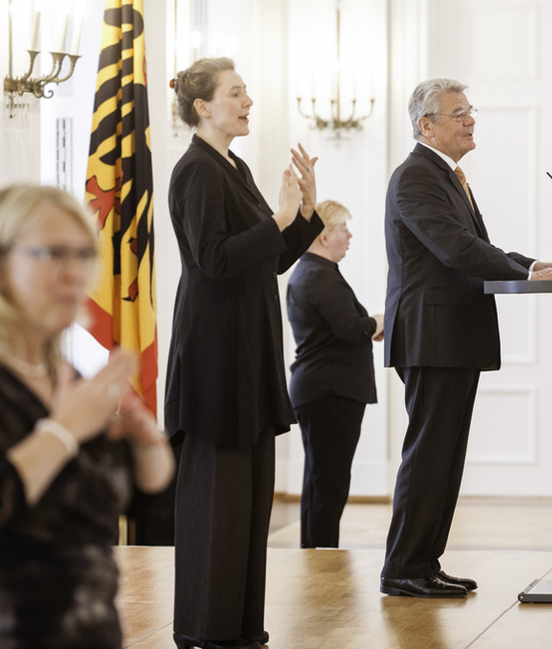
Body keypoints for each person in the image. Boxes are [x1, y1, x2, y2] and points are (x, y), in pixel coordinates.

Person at [0, 183, 175, 648]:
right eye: (54, 254)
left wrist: (147, 443)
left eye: (84, 254)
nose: (76, 273)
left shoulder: (64, 376)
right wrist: (64, 429)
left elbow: (142, 511)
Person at [380, 79, 552, 598]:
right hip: (432, 335)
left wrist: (530, 263)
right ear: (427, 125)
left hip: (451, 335)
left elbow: (474, 246)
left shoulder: (446, 176)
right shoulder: (415, 177)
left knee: (444, 456)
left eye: (471, 111)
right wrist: (527, 274)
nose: (471, 120)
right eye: (458, 112)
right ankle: (402, 567)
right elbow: (456, 249)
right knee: (428, 455)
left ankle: (423, 562)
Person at [165, 57, 323, 649]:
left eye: (247, 92)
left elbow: (272, 257)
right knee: (217, 504)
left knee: (249, 503)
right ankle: (205, 630)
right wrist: (280, 218)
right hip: (214, 357)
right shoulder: (196, 171)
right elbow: (215, 259)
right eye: (236, 94)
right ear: (203, 106)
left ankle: (239, 629)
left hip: (249, 351)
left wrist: (302, 214)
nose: (248, 101)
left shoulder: (235, 166)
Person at [286, 200, 383, 549]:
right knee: (329, 481)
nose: (349, 235)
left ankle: (315, 551)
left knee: (320, 479)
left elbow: (338, 328)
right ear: (324, 236)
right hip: (330, 390)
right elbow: (348, 329)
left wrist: (365, 325)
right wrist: (379, 322)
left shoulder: (313, 272)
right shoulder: (319, 275)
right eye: (343, 228)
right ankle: (322, 554)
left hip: (322, 388)